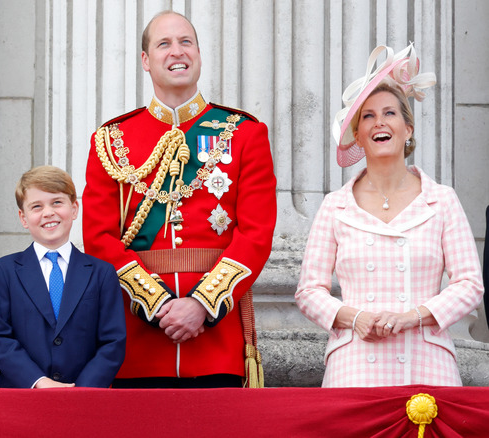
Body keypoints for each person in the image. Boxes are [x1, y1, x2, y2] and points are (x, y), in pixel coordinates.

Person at [82, 11, 276, 388]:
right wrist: (159, 306)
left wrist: (201, 305)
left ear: (199, 54)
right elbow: (99, 239)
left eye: (186, 42)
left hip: (215, 342)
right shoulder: (111, 140)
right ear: (145, 60)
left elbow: (255, 234)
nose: (177, 52)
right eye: (164, 44)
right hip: (138, 345)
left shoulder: (244, 134)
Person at [296, 44, 484, 387]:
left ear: (407, 129)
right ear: (358, 135)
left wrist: (415, 317)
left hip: (427, 366)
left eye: (389, 113)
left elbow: (470, 285)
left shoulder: (441, 200)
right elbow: (309, 291)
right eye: (367, 116)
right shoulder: (335, 205)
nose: (379, 122)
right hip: (354, 366)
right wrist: (355, 318)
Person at [0, 166, 126, 388]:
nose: (48, 212)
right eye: (36, 206)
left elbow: (113, 341)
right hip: (22, 396)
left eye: (57, 202)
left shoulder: (102, 272)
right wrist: (39, 382)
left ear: (74, 208)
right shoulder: (4, 271)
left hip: (83, 398)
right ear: (23, 217)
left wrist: (82, 389)